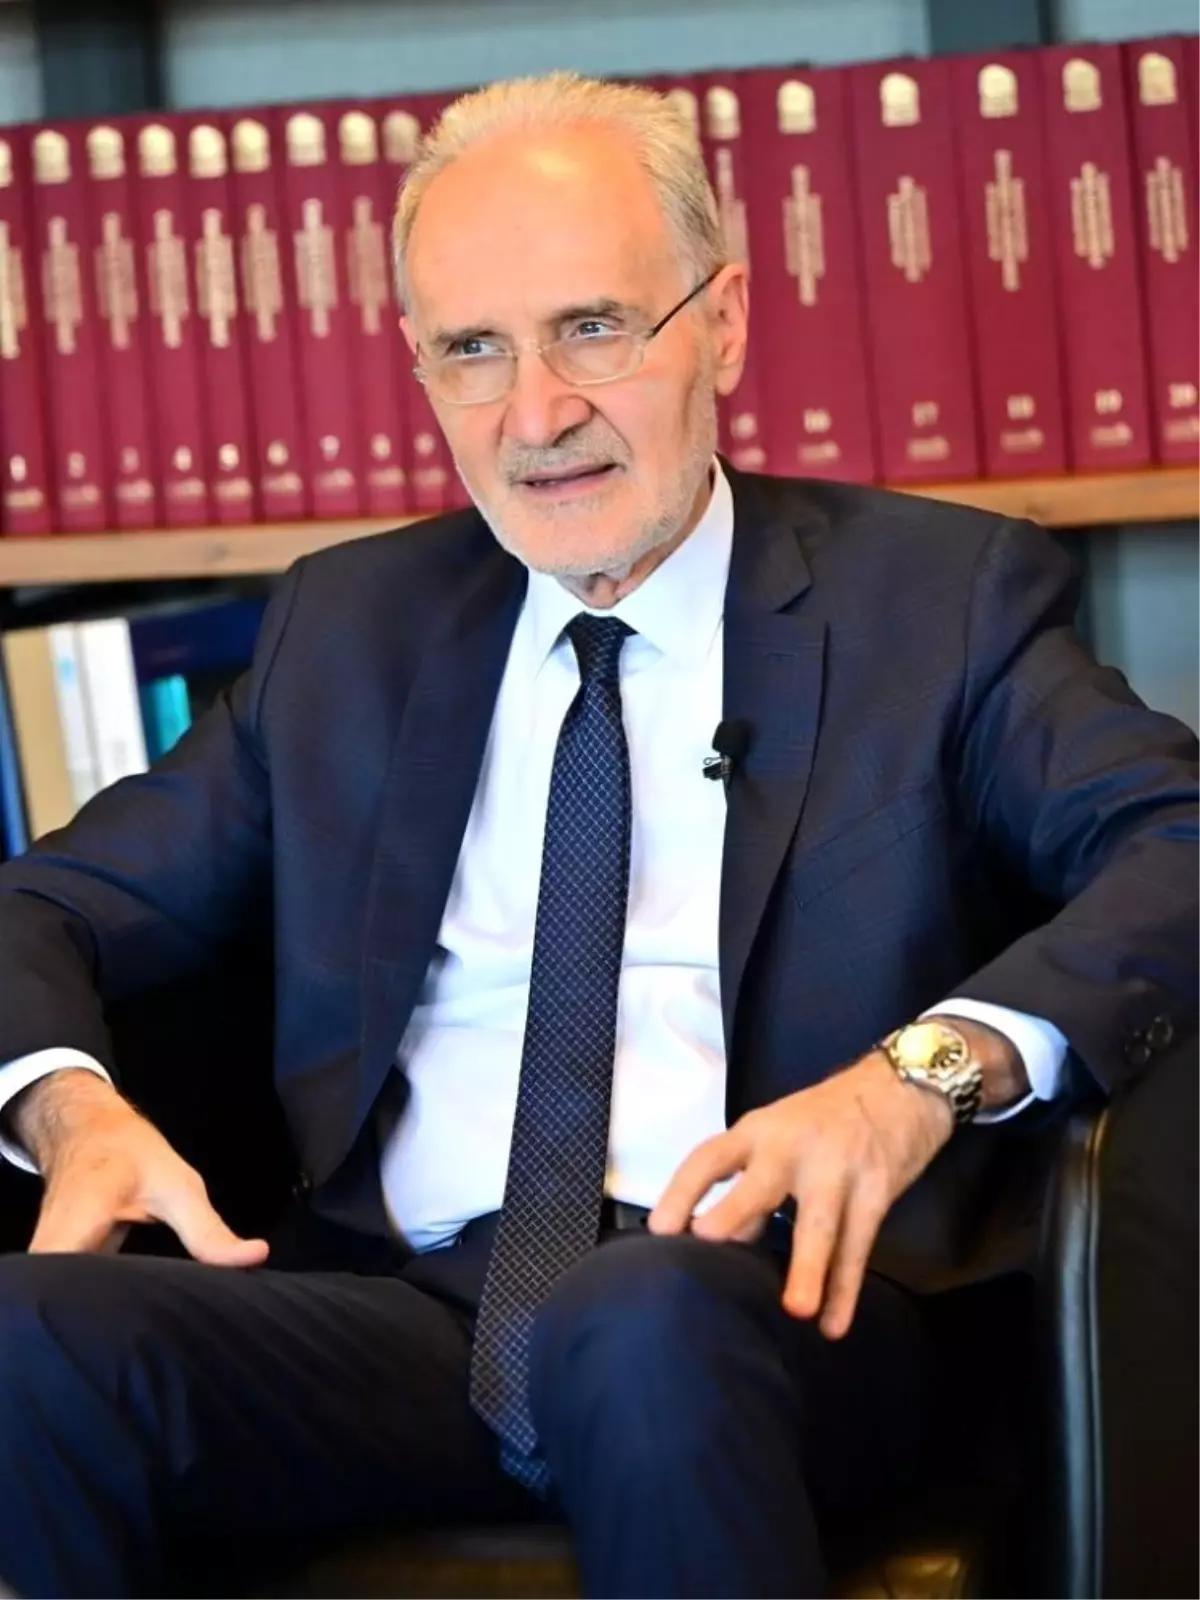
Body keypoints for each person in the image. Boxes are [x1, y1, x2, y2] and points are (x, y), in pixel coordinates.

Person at [0, 69, 1198, 1600]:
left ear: (725, 323)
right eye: (473, 350)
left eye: (592, 328)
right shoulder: (346, 631)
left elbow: (1176, 839)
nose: (537, 414)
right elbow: (43, 905)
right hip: (411, 1315)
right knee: (29, 1334)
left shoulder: (938, 603)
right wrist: (70, 1111)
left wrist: (922, 1075)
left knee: (638, 1317)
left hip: (775, 1307)